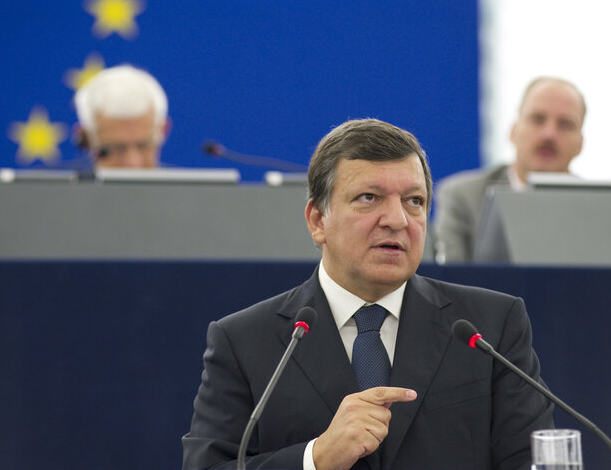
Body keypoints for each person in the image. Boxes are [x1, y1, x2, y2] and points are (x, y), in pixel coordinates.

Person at [182, 118, 554, 470]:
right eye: (369, 197)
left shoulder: (489, 326)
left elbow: (532, 459)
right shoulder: (245, 341)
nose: (398, 220)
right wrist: (316, 458)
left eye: (414, 201)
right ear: (317, 221)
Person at [434, 77, 586, 262]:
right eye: (537, 119)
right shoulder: (464, 197)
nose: (549, 134)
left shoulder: (596, 206)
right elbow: (451, 280)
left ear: (580, 144)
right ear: (513, 131)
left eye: (565, 124)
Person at [73, 65, 171, 169]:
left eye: (143, 146)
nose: (132, 163)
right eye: (117, 148)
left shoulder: (185, 185)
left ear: (163, 131)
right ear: (86, 139)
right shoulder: (56, 185)